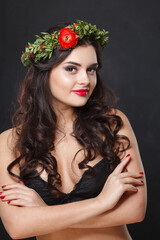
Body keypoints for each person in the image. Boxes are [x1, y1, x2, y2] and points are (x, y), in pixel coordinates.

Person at [0, 19, 147, 240]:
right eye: (71, 69)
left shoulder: (113, 123)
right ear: (45, 73)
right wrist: (102, 202)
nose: (85, 80)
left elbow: (135, 211)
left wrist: (44, 215)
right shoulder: (9, 142)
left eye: (91, 70)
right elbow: (18, 227)